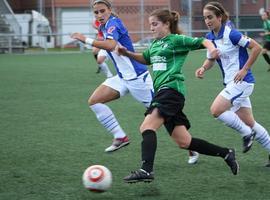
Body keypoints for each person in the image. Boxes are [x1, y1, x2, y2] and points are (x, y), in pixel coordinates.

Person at [117, 8, 239, 183]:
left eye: (154, 24)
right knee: (184, 142)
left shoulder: (176, 40)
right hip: (163, 93)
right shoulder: (154, 45)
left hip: (171, 91)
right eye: (150, 24)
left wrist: (212, 49)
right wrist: (127, 53)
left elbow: (203, 41)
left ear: (166, 24)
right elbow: (146, 58)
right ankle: (226, 153)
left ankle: (146, 170)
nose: (151, 28)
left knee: (146, 127)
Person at [71, 0, 199, 165]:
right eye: (96, 12)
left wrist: (85, 39)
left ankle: (191, 147)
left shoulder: (113, 24)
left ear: (110, 10)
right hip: (122, 78)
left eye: (102, 11)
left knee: (166, 117)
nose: (99, 15)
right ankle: (120, 136)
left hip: (139, 80)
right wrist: (97, 30)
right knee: (94, 101)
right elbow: (107, 40)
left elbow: (110, 45)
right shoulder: (104, 25)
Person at [195, 1, 270, 167]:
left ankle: (246, 134)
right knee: (250, 122)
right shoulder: (210, 38)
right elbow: (211, 59)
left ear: (219, 17)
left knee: (216, 110)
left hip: (242, 82)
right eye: (205, 18)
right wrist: (203, 68)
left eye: (210, 17)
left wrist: (245, 69)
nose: (207, 21)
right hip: (231, 84)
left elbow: (256, 47)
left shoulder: (232, 34)